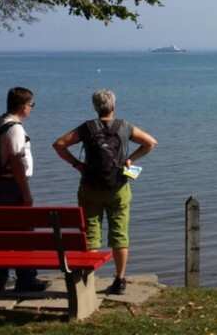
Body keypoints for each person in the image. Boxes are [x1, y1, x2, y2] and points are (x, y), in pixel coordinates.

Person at [53, 89, 157, 295]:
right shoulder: (124, 126)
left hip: (90, 188)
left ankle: (89, 281)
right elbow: (150, 143)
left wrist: (77, 164)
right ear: (114, 106)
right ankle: (120, 280)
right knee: (119, 234)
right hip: (118, 187)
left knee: (91, 235)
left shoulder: (87, 128)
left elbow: (59, 144)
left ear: (95, 107)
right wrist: (131, 159)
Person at [0, 87, 48, 291]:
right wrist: (26, 192)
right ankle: (26, 278)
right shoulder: (15, 129)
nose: (31, 109)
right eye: (31, 105)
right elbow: (17, 161)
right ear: (22, 106)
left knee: (0, 233)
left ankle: (1, 278)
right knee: (24, 233)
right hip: (11, 186)